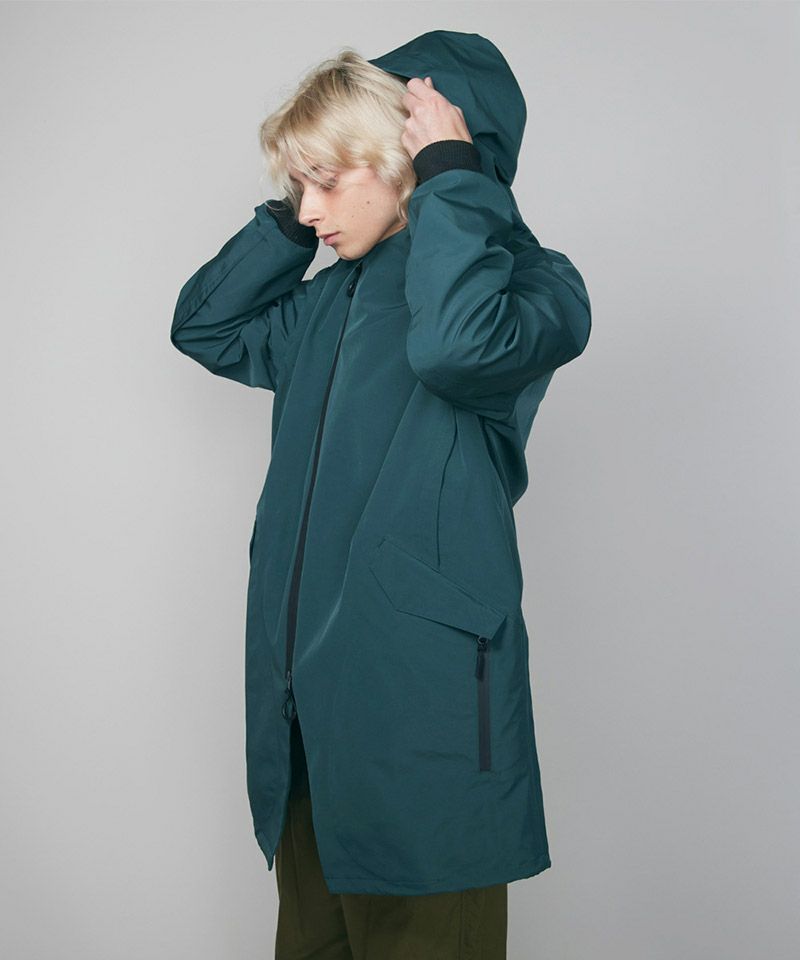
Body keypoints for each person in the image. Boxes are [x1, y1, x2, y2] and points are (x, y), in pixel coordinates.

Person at [171, 29, 591, 960]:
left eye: (326, 181)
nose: (310, 210)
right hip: (307, 723)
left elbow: (456, 349)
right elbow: (204, 327)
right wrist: (292, 218)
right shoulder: (327, 302)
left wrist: (453, 176)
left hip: (423, 724)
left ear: (410, 158)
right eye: (299, 186)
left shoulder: (529, 287)